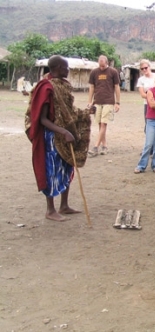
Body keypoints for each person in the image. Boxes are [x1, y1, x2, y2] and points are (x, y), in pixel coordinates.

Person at [25, 55, 88, 222]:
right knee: (51, 171)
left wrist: (86, 113)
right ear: (59, 67)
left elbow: (69, 112)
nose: (68, 70)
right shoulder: (46, 88)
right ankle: (50, 209)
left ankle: (64, 205)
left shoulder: (63, 86)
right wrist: (63, 132)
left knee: (67, 168)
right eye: (66, 67)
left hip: (64, 134)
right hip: (51, 138)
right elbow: (42, 119)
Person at [87, 55, 120, 157]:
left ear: (107, 63)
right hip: (97, 101)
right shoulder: (94, 72)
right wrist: (90, 101)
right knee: (99, 124)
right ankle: (104, 146)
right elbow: (92, 87)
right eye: (100, 66)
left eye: (103, 66)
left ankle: (96, 147)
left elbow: (117, 87)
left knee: (103, 124)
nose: (101, 68)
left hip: (108, 101)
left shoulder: (113, 72)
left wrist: (117, 102)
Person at [137, 59, 155, 134]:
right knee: (148, 124)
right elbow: (142, 94)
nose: (144, 70)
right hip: (147, 104)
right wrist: (152, 98)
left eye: (146, 67)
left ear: (149, 67)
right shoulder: (141, 80)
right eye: (142, 69)